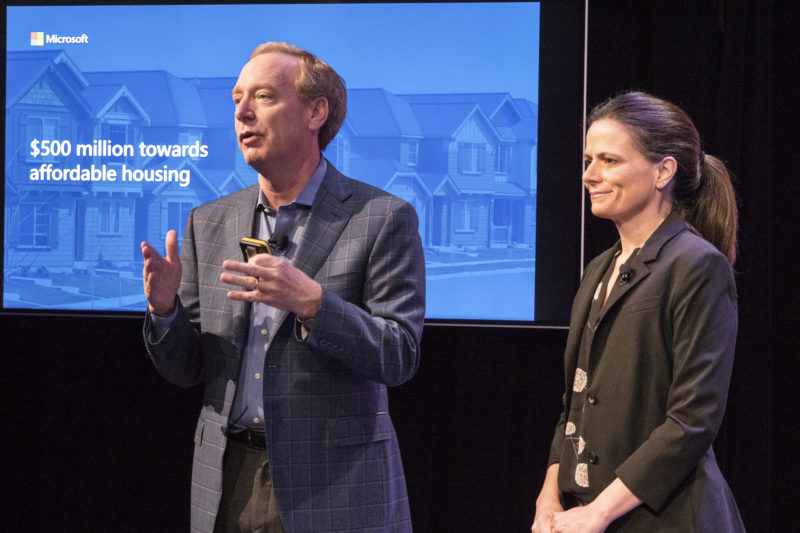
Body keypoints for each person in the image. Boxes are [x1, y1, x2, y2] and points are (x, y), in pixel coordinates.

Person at [141, 42, 425, 533]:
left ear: (317, 112)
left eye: (264, 96)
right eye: (236, 99)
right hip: (227, 477)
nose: (243, 112)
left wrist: (314, 303)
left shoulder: (381, 218)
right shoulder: (208, 221)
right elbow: (188, 369)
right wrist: (164, 312)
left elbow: (399, 355)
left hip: (336, 485)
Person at [531, 92, 744, 532]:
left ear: (664, 170)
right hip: (588, 514)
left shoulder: (695, 265)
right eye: (589, 159)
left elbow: (691, 420)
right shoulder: (599, 268)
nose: (589, 174)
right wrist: (550, 494)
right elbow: (575, 400)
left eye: (609, 160)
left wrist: (599, 511)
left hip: (663, 517)